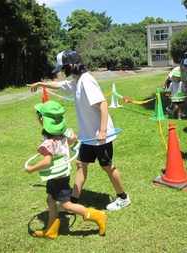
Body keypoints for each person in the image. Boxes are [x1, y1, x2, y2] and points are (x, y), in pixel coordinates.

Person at [28, 50, 131, 211]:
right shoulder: (76, 81)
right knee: (80, 165)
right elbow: (59, 85)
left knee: (107, 167)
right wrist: (41, 84)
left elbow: (103, 104)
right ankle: (73, 201)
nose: (62, 72)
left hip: (99, 136)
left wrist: (103, 130)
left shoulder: (86, 81)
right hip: (87, 136)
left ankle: (123, 197)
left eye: (63, 69)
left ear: (70, 66)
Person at [25, 101, 107, 238]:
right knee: (51, 200)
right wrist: (73, 141)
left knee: (67, 205)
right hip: (61, 173)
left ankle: (98, 216)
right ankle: (52, 230)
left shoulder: (48, 143)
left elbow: (46, 161)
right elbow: (74, 137)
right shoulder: (65, 133)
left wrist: (31, 169)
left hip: (58, 176)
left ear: (42, 120)